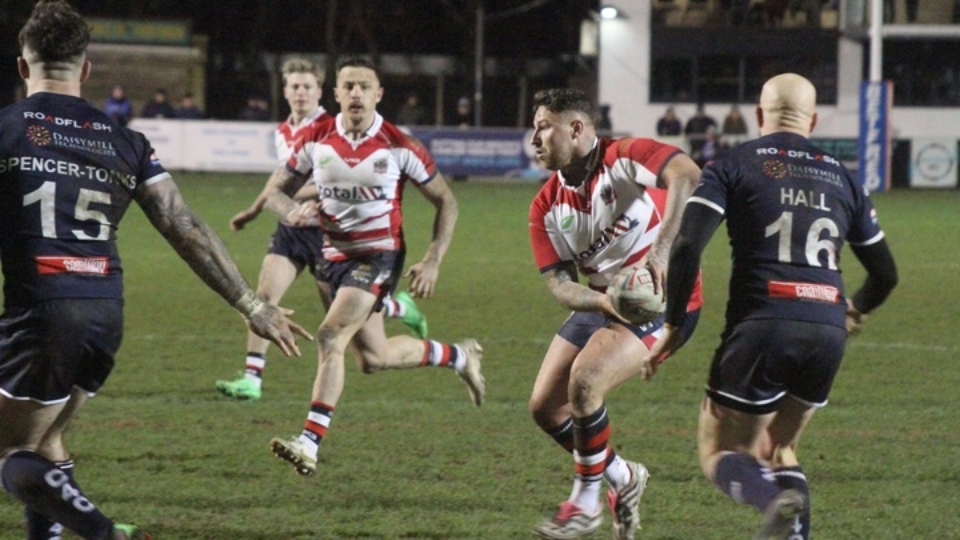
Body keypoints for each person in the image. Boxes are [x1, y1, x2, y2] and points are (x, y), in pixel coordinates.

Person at [0, 2, 310, 540]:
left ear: (22, 68)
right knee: (47, 438)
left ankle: (104, 533)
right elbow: (184, 226)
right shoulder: (125, 141)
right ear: (87, 69)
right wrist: (251, 305)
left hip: (44, 313)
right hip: (105, 316)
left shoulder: (6, 130)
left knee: (12, 449)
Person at [641, 73, 898, 539]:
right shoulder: (844, 178)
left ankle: (772, 502)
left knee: (719, 453)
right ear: (813, 121)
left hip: (763, 322)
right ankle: (792, 524)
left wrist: (675, 326)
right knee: (779, 448)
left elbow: (685, 247)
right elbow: (885, 275)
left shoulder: (732, 164)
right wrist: (852, 310)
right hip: (826, 328)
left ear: (759, 116)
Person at [259, 55, 486, 477]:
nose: (357, 93)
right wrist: (290, 211)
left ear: (379, 94)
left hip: (379, 256)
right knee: (374, 358)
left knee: (330, 336)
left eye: (365, 86)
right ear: (337, 94)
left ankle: (309, 441)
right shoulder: (316, 138)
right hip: (333, 260)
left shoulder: (400, 145)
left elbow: (446, 200)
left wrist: (433, 259)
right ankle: (458, 356)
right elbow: (275, 192)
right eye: (349, 86)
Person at [525, 89, 703, 540]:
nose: (534, 137)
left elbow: (687, 173)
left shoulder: (623, 157)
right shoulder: (546, 206)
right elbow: (560, 286)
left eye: (544, 126)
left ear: (577, 128)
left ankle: (584, 504)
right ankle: (623, 477)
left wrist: (660, 254)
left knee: (584, 382)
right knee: (545, 407)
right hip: (609, 300)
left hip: (661, 299)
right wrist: (604, 302)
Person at [215, 57, 429, 401]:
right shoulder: (283, 130)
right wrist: (255, 211)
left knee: (346, 322)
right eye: (294, 87)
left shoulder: (331, 128)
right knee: (262, 299)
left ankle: (396, 307)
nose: (300, 93)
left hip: (327, 233)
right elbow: (279, 183)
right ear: (285, 92)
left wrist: (311, 198)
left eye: (307, 87)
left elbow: (338, 181)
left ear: (321, 92)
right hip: (291, 227)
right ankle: (253, 378)